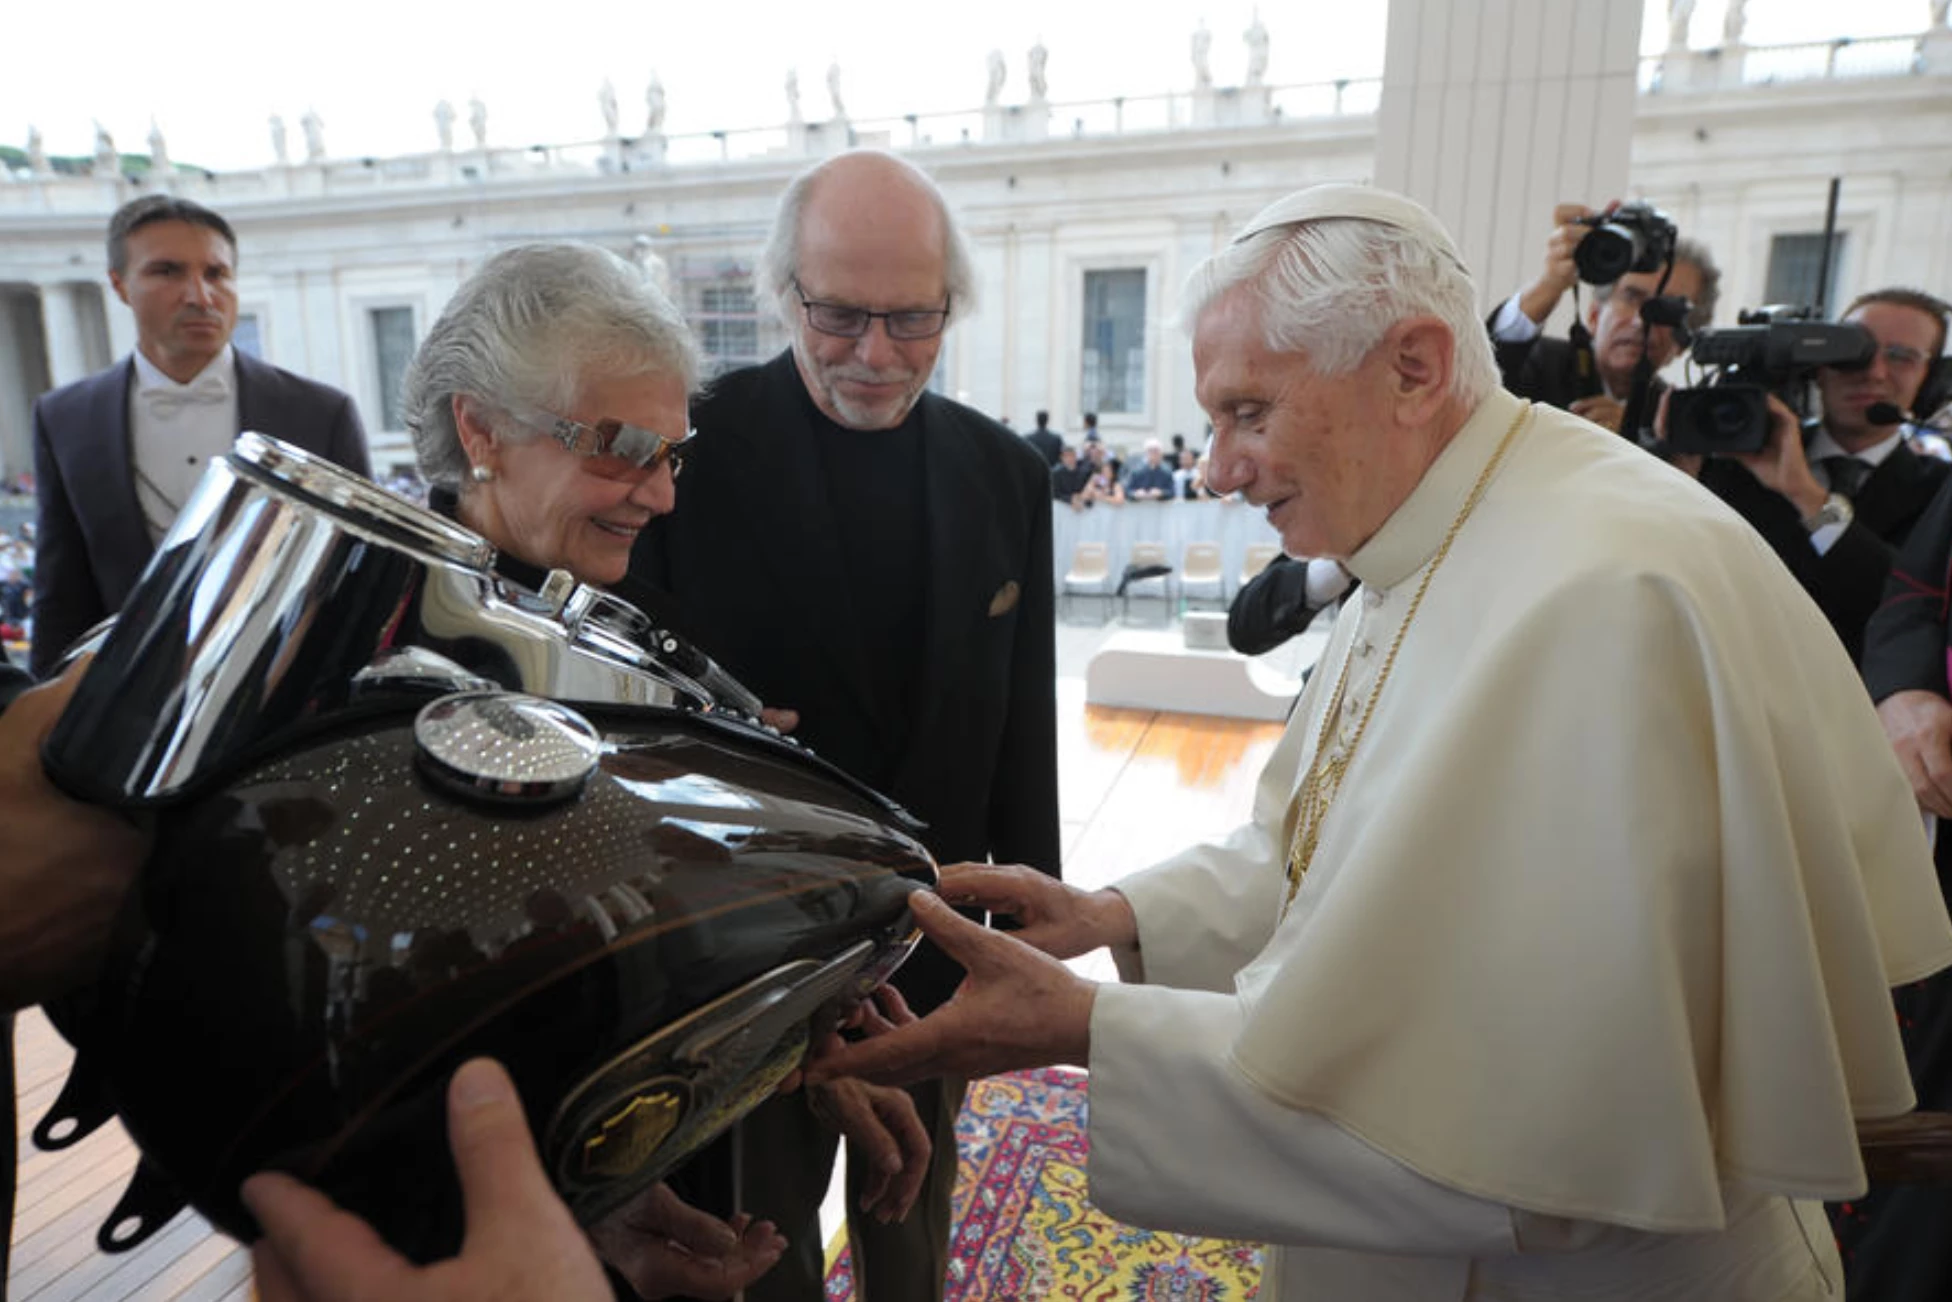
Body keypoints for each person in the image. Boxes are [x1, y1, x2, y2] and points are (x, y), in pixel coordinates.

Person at [806, 183, 1952, 1300]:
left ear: (1412, 367)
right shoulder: (1432, 528)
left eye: (1246, 413)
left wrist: (1094, 1027)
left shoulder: (1604, 596)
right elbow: (1329, 851)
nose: (1215, 469)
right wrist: (1119, 917)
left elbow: (1526, 1114)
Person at [632, 148, 1060, 1302]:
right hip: (746, 966)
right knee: (754, 1247)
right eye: (838, 314)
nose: (874, 354)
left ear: (949, 306)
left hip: (931, 946)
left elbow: (1021, 734)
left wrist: (1022, 940)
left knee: (909, 1229)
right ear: (783, 293)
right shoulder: (685, 454)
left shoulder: (1006, 476)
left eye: (911, 318)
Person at [30, 195, 369, 674]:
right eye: (167, 271)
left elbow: (356, 582)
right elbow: (59, 595)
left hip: (283, 701)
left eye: (216, 273)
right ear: (119, 285)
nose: (199, 295)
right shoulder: (63, 418)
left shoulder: (322, 413)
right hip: (122, 705)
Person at [1687, 288, 1952, 665]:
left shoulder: (1940, 492)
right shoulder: (1735, 459)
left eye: (1900, 356)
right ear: (1819, 363)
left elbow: (1897, 599)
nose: (1873, 373)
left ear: (1931, 383)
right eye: (1854, 350)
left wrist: (1807, 496)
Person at [1486, 200, 1718, 436]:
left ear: (1684, 341)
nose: (1641, 321)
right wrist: (1550, 284)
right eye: (1631, 297)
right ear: (1595, 315)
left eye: (1664, 308)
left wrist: (1630, 440)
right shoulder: (1540, 364)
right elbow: (1488, 364)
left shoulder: (1676, 419)